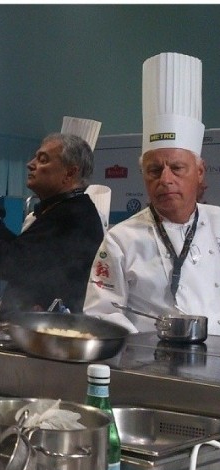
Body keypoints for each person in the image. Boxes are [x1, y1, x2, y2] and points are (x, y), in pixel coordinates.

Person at [83, 52, 220, 335]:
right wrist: (146, 350)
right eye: (154, 170)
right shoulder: (121, 240)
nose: (165, 180)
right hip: (150, 357)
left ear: (200, 172)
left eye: (177, 168)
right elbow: (101, 313)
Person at [0, 133, 104, 320]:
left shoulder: (73, 216)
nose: (30, 164)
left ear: (70, 173)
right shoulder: (62, 209)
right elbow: (16, 249)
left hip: (51, 331)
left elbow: (7, 263)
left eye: (43, 160)